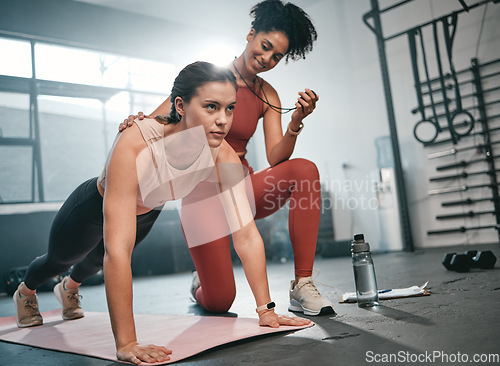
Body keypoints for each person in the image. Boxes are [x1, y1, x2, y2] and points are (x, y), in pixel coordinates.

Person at [13, 61, 310, 365]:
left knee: (91, 265)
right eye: (211, 107)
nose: (223, 120)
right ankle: (25, 292)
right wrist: (127, 343)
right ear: (180, 105)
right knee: (59, 260)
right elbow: (118, 253)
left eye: (230, 108)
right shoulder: (137, 140)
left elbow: (246, 236)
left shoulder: (223, 156)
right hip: (92, 206)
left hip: (146, 212)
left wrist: (266, 310)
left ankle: (70, 288)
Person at [122, 0, 334, 316]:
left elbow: (277, 158)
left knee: (304, 169)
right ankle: (199, 283)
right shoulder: (208, 77)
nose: (267, 59)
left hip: (242, 188)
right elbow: (160, 120)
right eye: (264, 47)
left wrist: (295, 123)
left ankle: (302, 285)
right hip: (202, 196)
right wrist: (135, 123)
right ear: (251, 34)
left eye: (276, 56)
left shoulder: (268, 94)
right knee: (219, 301)